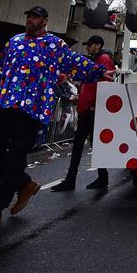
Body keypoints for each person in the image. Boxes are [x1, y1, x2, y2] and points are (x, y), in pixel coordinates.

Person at [0, 7, 113, 231]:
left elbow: (74, 62)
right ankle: (24, 183)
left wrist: (99, 72)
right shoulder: (14, 41)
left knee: (16, 156)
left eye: (35, 17)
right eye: (28, 16)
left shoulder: (54, 45)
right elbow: (0, 68)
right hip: (6, 104)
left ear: (45, 21)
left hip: (33, 109)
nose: (30, 20)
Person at [52, 35, 115, 192]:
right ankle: (97, 177)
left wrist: (94, 104)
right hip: (87, 108)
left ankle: (75, 179)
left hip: (91, 109)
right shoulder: (96, 59)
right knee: (85, 144)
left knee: (83, 145)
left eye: (90, 45)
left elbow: (103, 83)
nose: (87, 47)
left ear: (98, 45)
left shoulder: (103, 59)